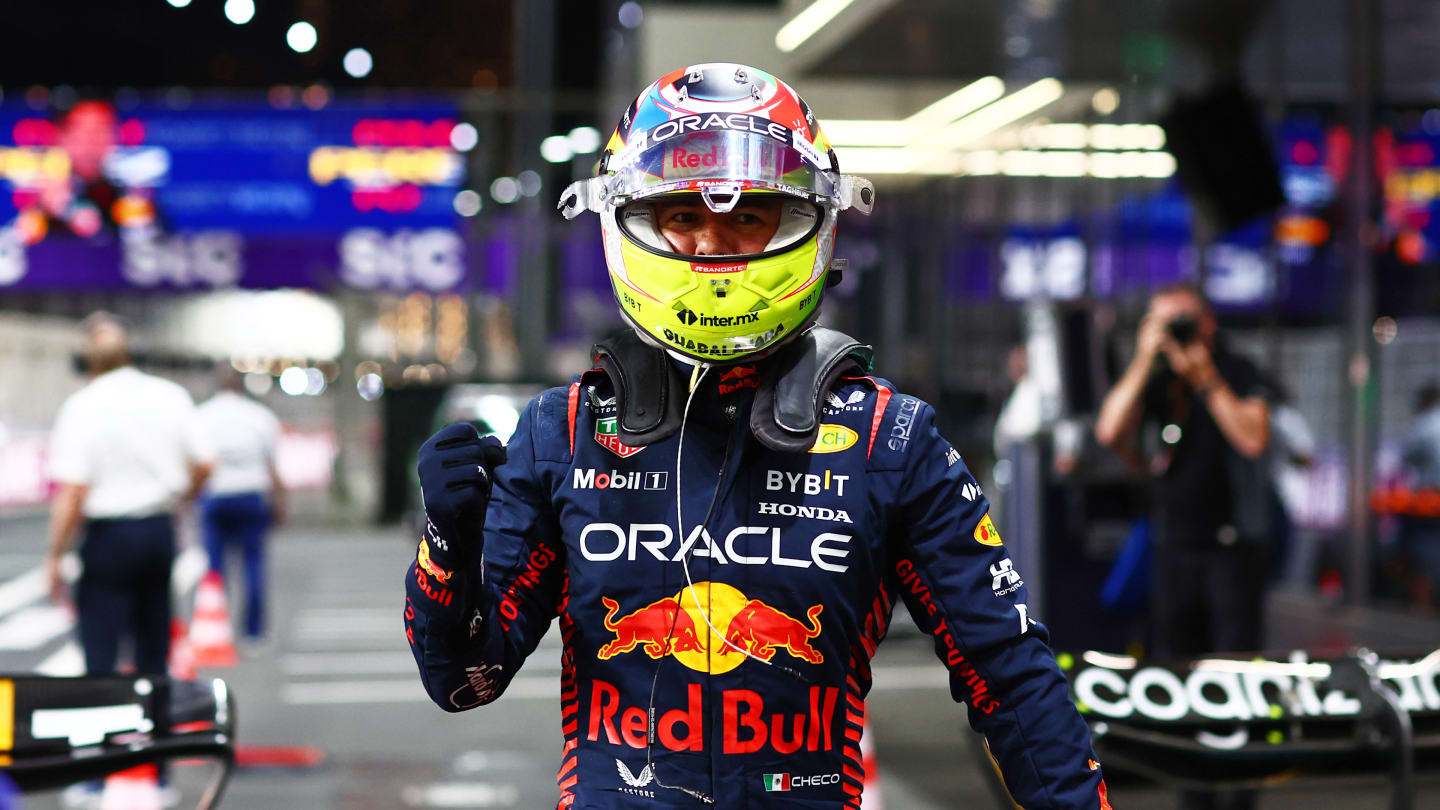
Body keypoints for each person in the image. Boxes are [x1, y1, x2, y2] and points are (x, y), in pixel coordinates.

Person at [404, 64, 1111, 808]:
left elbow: (1011, 674)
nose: (714, 243)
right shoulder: (564, 431)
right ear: (629, 223)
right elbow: (461, 683)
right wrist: (449, 541)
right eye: (682, 215)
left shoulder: (889, 439)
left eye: (749, 216)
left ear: (810, 222)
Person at [1094, 283, 1273, 810]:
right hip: (1174, 549)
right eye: (1162, 321)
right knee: (1179, 675)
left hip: (1231, 550)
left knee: (1235, 677)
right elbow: (1109, 432)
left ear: (1208, 323)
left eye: (1181, 322)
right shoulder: (1156, 378)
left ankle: (1240, 791)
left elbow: (1252, 438)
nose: (1174, 332)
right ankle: (1194, 789)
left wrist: (1206, 379)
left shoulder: (1234, 369)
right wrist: (1145, 358)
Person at [45, 314, 213, 807]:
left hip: (107, 535)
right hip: (156, 531)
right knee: (153, 655)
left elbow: (73, 491)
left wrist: (55, 554)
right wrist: (179, 500)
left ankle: (96, 779)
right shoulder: (169, 396)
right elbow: (204, 464)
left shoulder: (81, 406)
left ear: (85, 362)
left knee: (99, 660)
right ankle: (157, 777)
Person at [196, 364, 286, 647]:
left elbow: (196, 464)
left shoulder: (202, 416)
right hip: (251, 495)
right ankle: (253, 632)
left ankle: (215, 627)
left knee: (214, 568)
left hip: (216, 495)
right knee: (253, 565)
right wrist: (281, 502)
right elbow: (273, 467)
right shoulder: (260, 416)